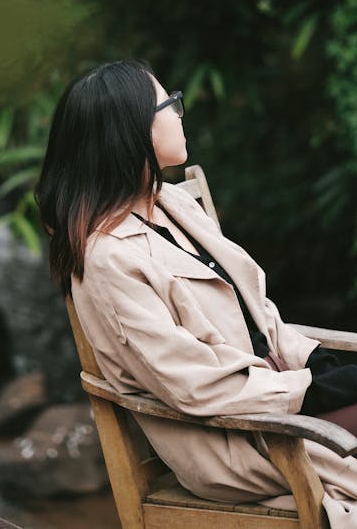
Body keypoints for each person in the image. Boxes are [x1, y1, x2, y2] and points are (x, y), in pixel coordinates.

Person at [35, 59, 357, 528]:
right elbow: (193, 383)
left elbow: (258, 315)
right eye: (169, 104)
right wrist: (317, 390)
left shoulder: (172, 203)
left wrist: (316, 363)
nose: (179, 113)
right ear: (131, 131)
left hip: (275, 399)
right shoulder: (108, 258)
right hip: (238, 437)